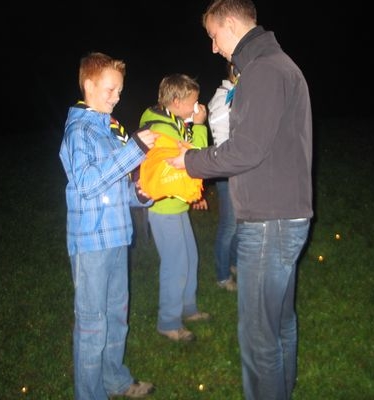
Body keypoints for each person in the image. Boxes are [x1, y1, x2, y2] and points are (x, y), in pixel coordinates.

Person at [169, 1, 313, 398]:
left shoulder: (263, 70)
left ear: (231, 24)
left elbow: (246, 150)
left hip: (269, 222)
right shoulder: (277, 65)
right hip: (284, 214)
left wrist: (189, 161)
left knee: (258, 337)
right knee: (279, 323)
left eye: (214, 36)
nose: (213, 47)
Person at [59, 52, 157, 399]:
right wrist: (135, 150)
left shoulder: (109, 130)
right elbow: (87, 184)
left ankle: (115, 379)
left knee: (117, 316)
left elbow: (113, 184)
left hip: (117, 238)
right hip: (91, 243)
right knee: (92, 325)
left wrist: (140, 194)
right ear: (89, 85)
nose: (116, 97)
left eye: (119, 91)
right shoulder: (79, 131)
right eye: (110, 90)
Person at [138, 73, 211, 342]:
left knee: (189, 256)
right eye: (193, 102)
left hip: (175, 203)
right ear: (177, 101)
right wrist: (199, 125)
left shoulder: (171, 121)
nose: (197, 106)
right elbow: (197, 158)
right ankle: (168, 322)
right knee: (175, 263)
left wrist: (194, 195)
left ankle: (188, 308)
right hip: (163, 207)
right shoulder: (162, 129)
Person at [208, 61, 239, 291]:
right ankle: (222, 276)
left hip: (237, 170)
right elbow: (223, 141)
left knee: (238, 223)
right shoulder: (224, 98)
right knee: (228, 226)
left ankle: (234, 264)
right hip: (228, 171)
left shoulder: (235, 94)